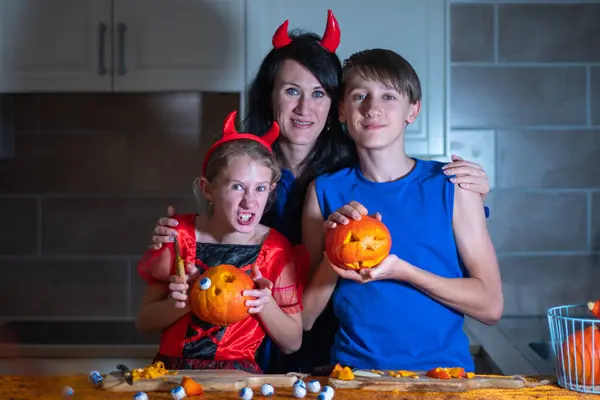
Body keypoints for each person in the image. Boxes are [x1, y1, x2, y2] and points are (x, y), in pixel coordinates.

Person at [145, 10, 492, 373]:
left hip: (332, 350)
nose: (304, 108)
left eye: (319, 93)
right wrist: (178, 234)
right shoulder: (243, 166)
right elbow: (210, 235)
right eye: (292, 91)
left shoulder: (346, 178)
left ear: (335, 106)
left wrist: (473, 196)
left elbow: (416, 221)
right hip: (243, 344)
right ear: (270, 97)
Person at [301, 48, 503, 372]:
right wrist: (333, 255)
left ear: (413, 110)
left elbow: (491, 305)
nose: (372, 108)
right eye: (359, 96)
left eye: (389, 96)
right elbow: (304, 320)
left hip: (443, 378)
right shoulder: (323, 192)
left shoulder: (453, 185)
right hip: (354, 379)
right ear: (341, 110)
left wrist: (402, 271)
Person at [135, 111, 304, 374]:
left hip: (238, 380)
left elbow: (293, 342)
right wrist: (187, 301)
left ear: (270, 190)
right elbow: (145, 322)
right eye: (237, 187)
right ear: (207, 189)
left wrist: (265, 304)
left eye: (260, 188)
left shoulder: (275, 250)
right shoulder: (180, 238)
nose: (250, 201)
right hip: (171, 376)